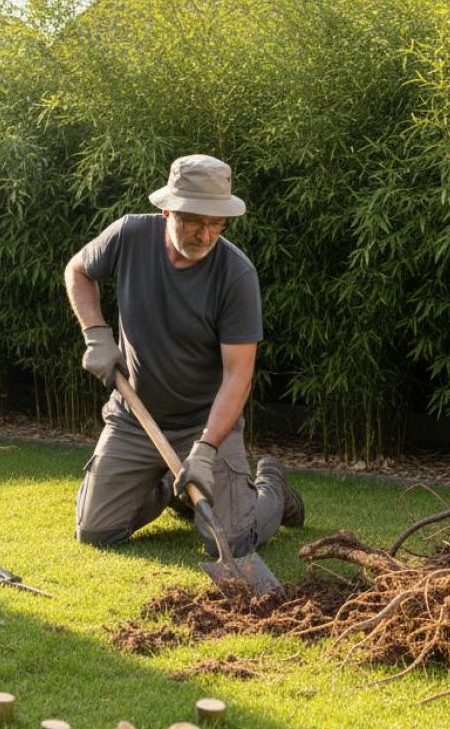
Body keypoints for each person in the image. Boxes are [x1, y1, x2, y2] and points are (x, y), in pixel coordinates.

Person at [63, 153, 304, 558]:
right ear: (167, 210)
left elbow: (237, 377)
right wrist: (96, 335)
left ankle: (272, 487)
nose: (205, 234)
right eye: (194, 220)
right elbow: (78, 270)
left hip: (204, 424)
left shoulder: (236, 275)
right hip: (135, 418)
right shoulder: (128, 235)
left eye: (216, 223)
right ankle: (174, 485)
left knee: (229, 540)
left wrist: (207, 450)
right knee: (96, 531)